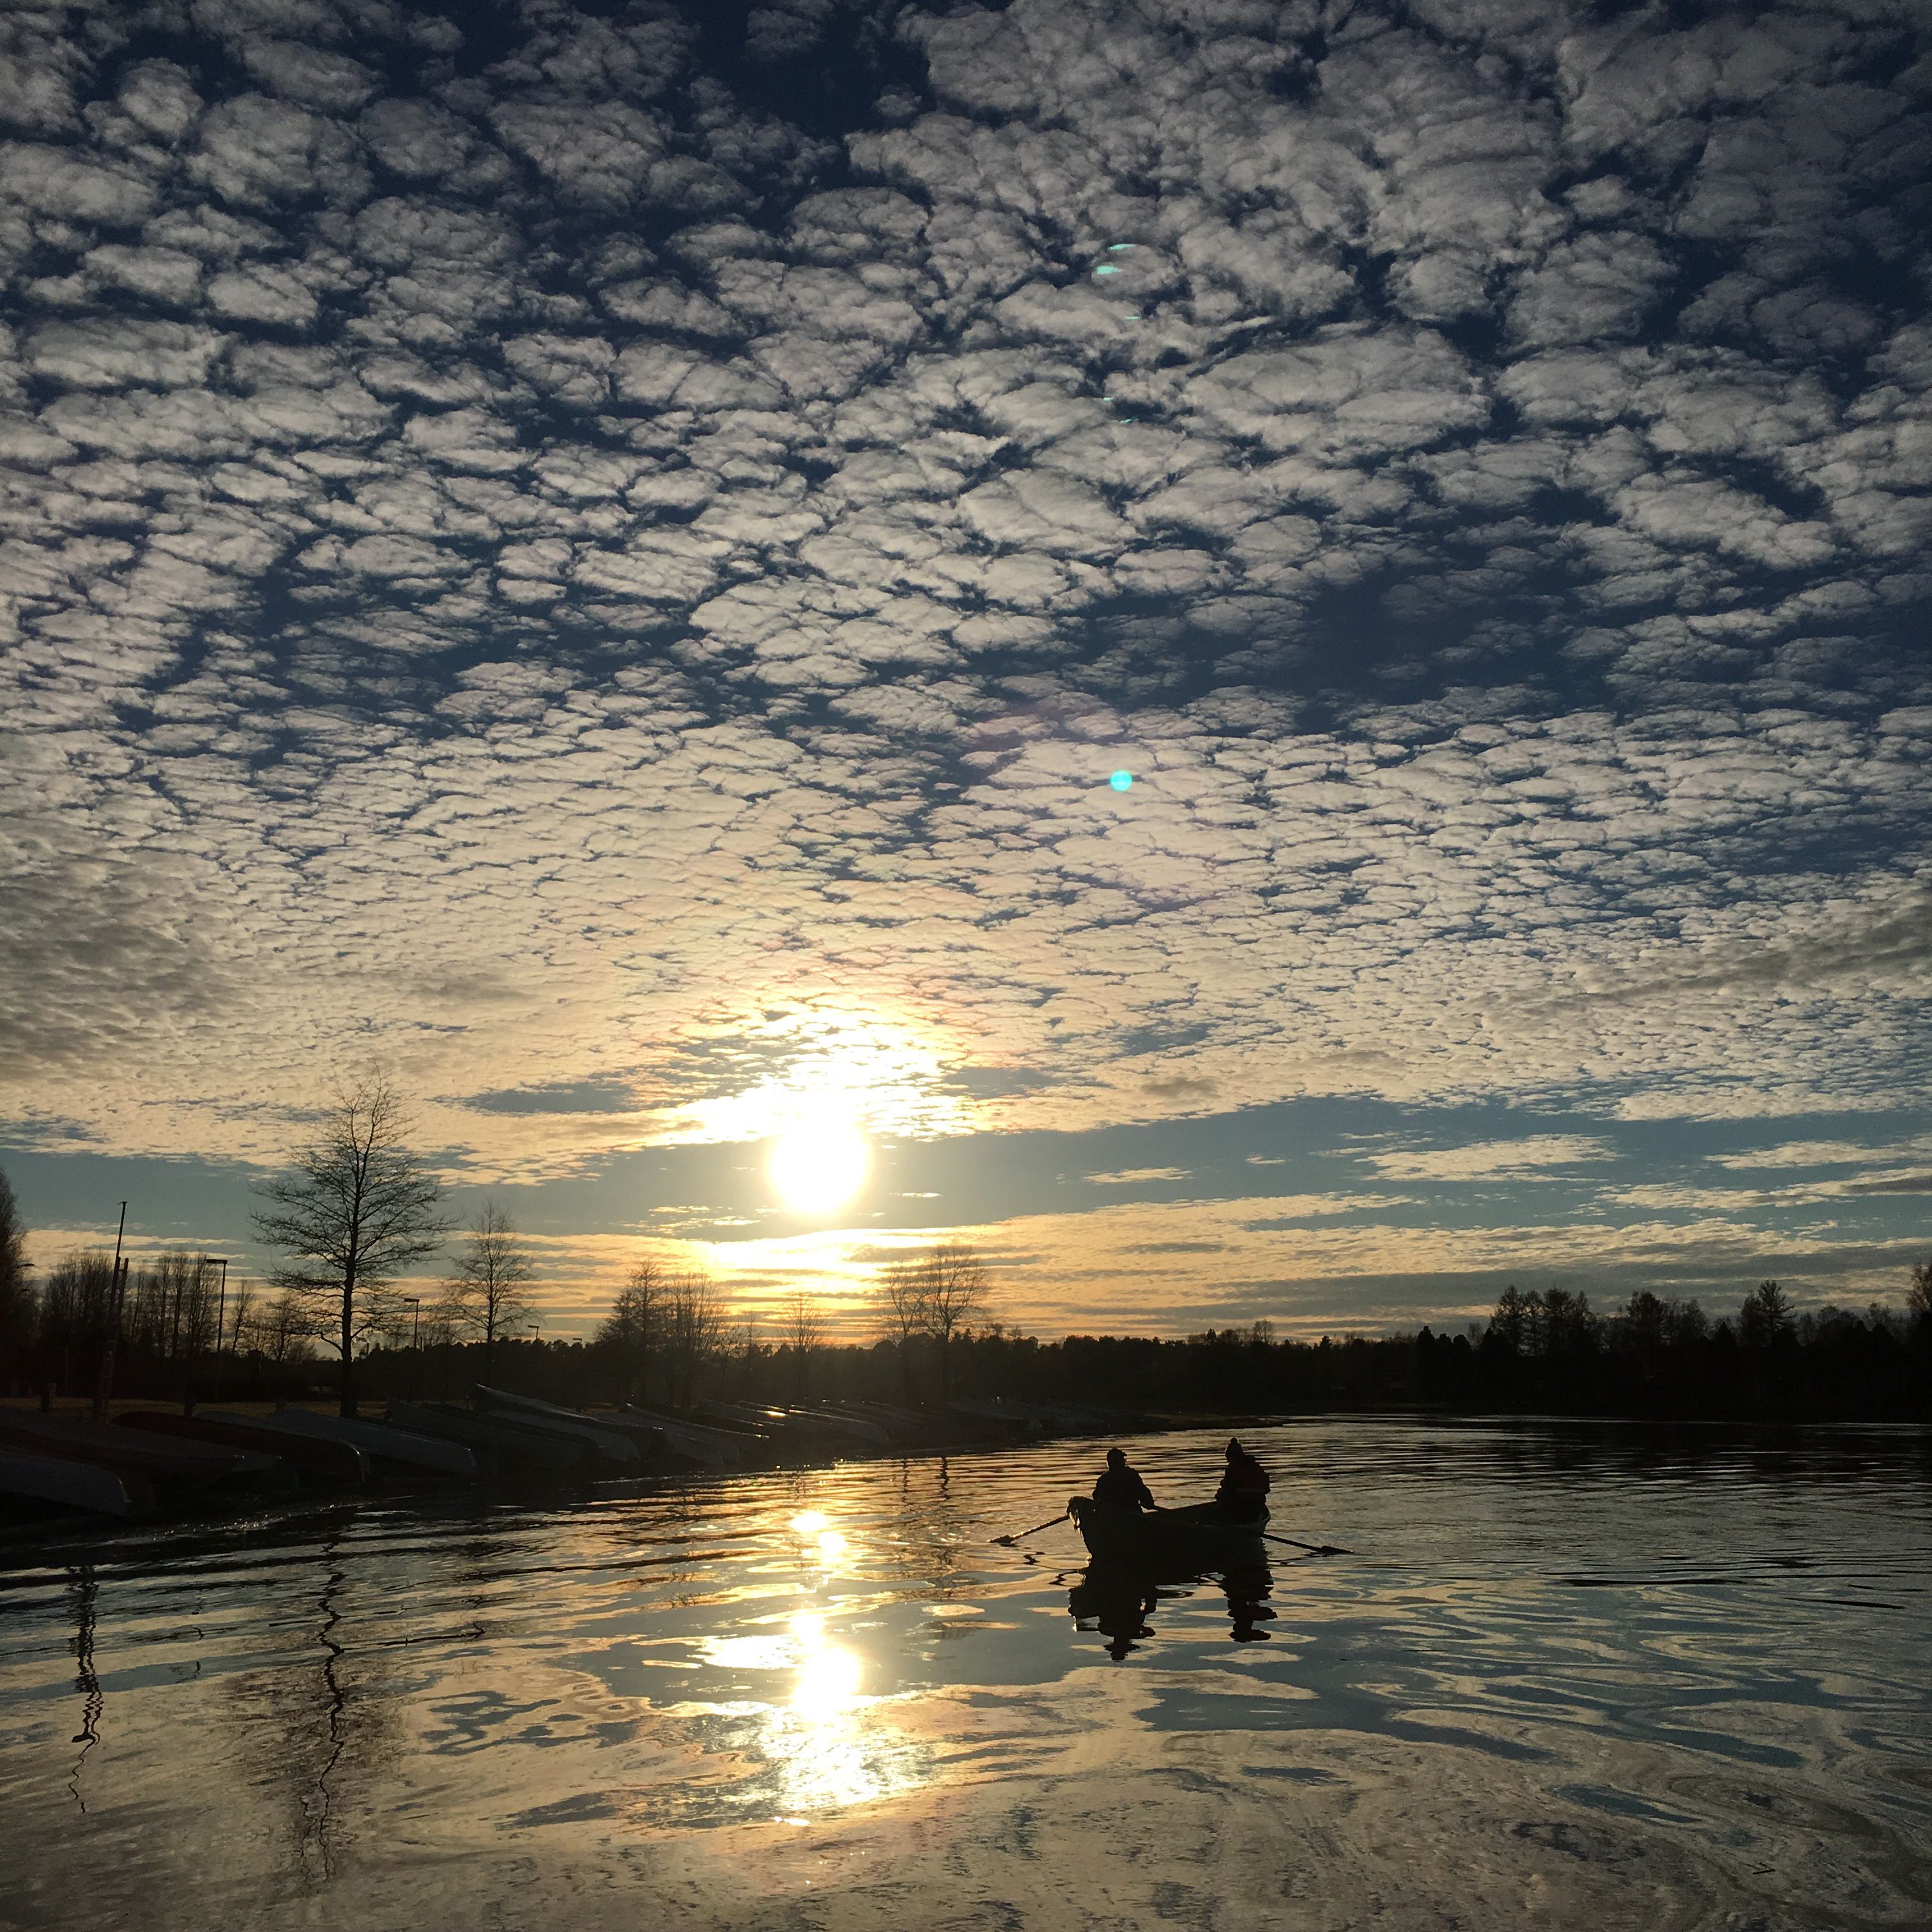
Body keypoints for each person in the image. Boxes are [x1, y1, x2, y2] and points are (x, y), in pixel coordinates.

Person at [1213, 1438, 1270, 1522]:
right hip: (1258, 1503)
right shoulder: (1256, 1466)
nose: (1228, 1461)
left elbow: (1229, 1486)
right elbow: (1266, 1488)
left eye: (1228, 1458)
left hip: (1241, 1503)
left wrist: (1222, 1487)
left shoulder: (1233, 1468)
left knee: (1221, 1495)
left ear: (1232, 1456)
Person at [1091, 1446, 1157, 1512]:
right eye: (1123, 1459)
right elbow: (1144, 1494)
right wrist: (1148, 1503)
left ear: (1109, 1463)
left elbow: (1097, 1497)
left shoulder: (1103, 1479)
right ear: (1121, 1461)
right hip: (1132, 1513)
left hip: (1111, 1515)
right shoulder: (1131, 1475)